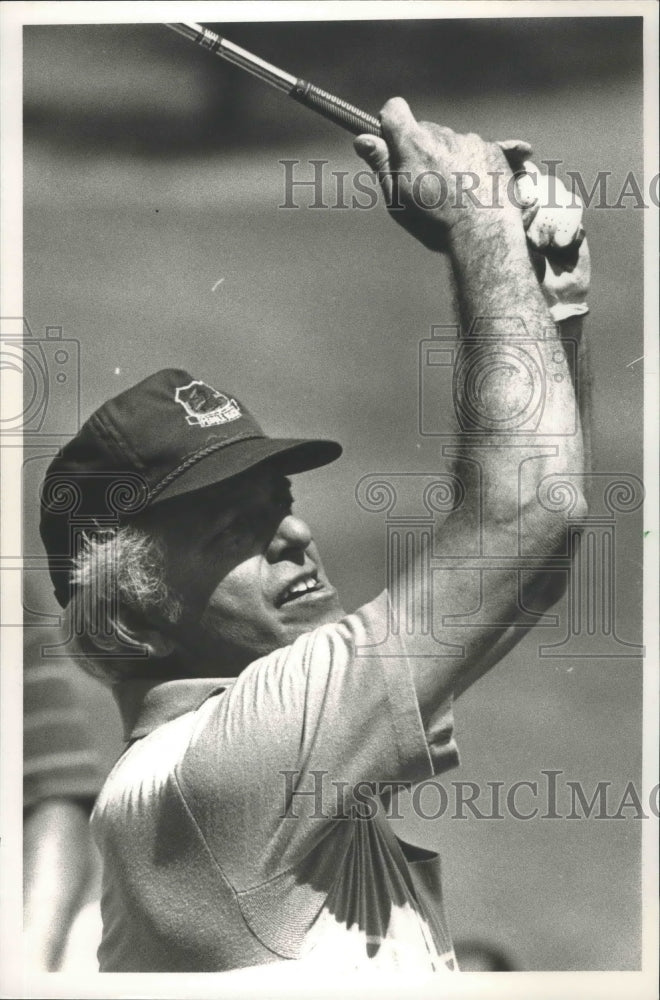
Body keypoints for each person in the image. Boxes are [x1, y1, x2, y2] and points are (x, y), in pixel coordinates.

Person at [38, 98, 590, 973]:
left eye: (281, 500)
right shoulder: (223, 766)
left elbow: (531, 566)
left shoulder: (224, 763)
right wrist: (480, 224)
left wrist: (547, 306)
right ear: (133, 603)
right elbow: (526, 522)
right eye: (237, 525)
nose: (295, 530)